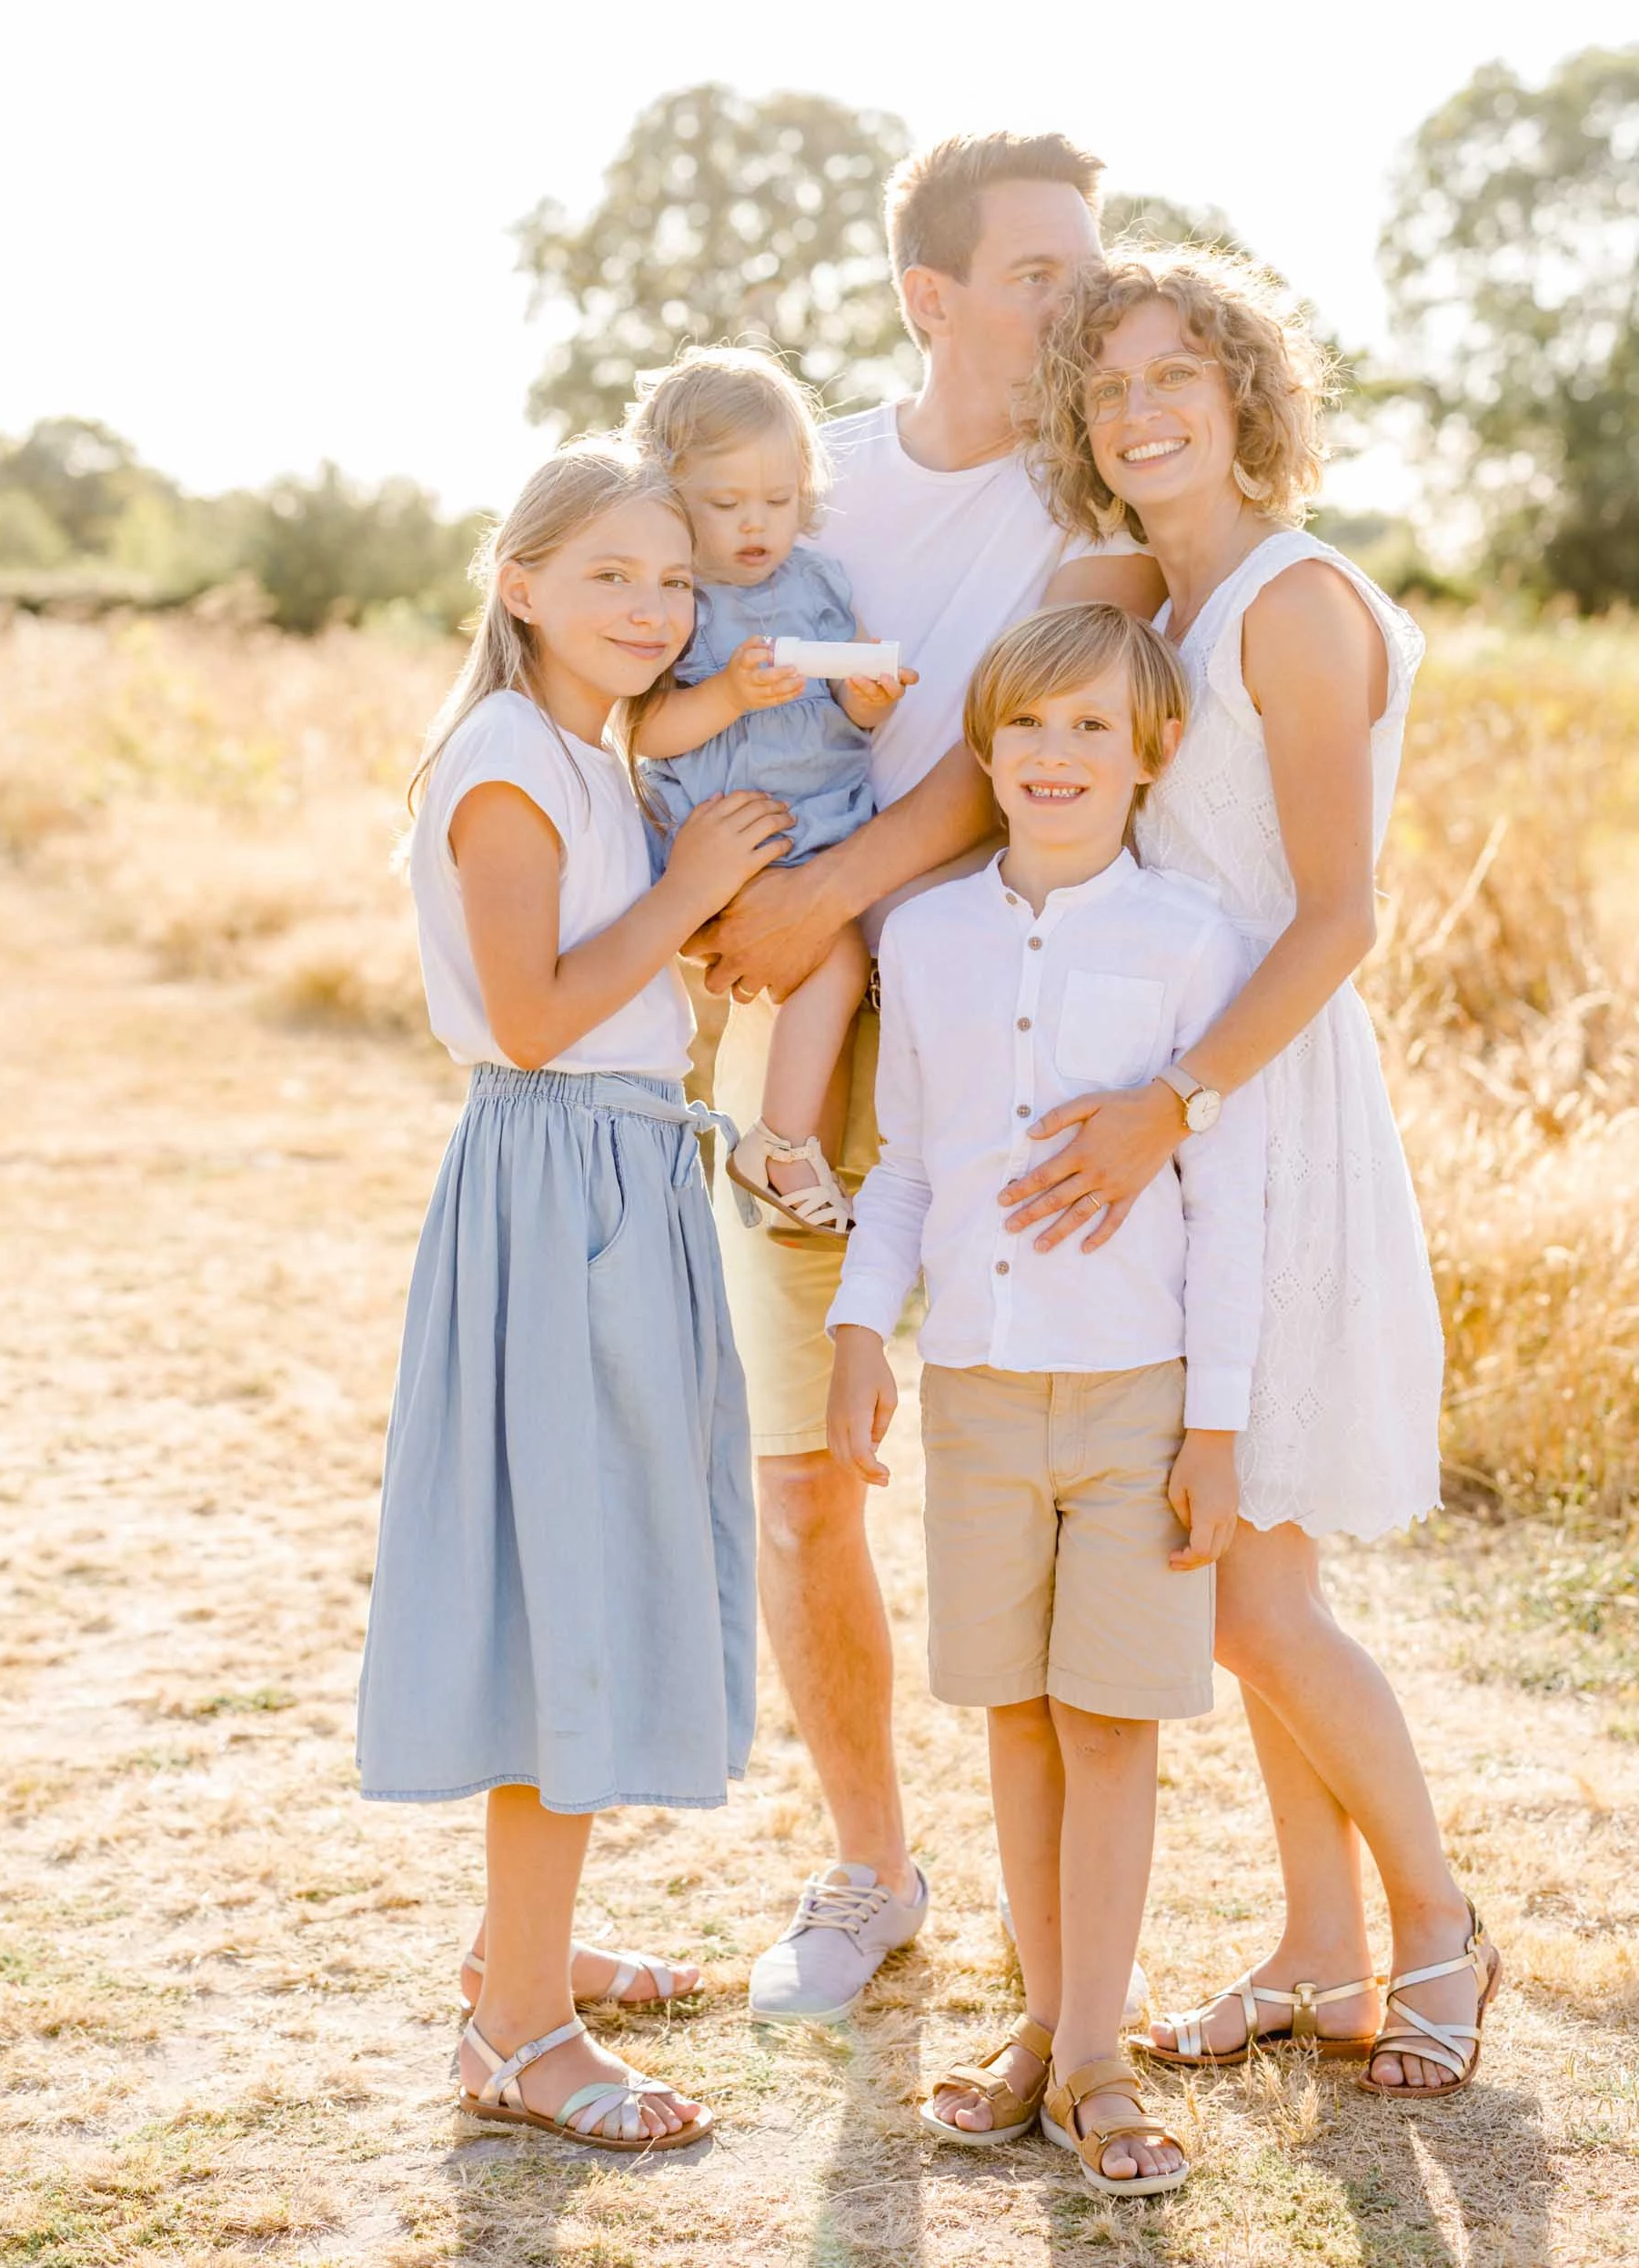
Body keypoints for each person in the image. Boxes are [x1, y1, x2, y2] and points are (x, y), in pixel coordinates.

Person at [684, 133, 1164, 2024]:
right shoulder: (825, 482)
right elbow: (670, 639)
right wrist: (722, 913)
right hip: (805, 1024)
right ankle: (874, 1871)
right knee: (807, 1483)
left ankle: (1073, 1958)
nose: (1081, 299)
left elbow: (1000, 751)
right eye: (1043, 271)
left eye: (1089, 263)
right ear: (932, 295)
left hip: (1011, 1031)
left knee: (1024, 1481)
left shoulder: (1092, 499)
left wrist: (821, 900)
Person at [1011, 250, 1501, 2099]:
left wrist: (1172, 1107)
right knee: (1235, 1547)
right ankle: (1315, 1952)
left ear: (1244, 393)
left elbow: (1340, 917)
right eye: (1107, 385)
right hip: (1188, 1104)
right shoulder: (1174, 595)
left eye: (1176, 377)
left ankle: (1439, 1922)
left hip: (1260, 1101)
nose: (1142, 411)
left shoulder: (1293, 606)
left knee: (1243, 1586)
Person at [356, 439, 790, 2148]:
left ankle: (523, 1949)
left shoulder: (591, 755)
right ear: (519, 582)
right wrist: (691, 900)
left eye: (676, 580)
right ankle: (519, 2035)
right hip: (557, 1190)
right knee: (569, 1583)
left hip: (623, 1177)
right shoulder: (506, 767)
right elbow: (533, 1019)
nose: (653, 606)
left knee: (601, 1556)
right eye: (612, 572)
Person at [827, 604, 1264, 2189]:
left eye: (1093, 729)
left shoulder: (1194, 941)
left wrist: (1216, 1425)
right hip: (980, 1397)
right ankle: (1042, 2023)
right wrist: (866, 1333)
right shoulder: (925, 939)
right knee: (1014, 1711)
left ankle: (1098, 2054)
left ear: (1151, 754)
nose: (1057, 755)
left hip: (1138, 1397)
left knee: (1109, 1721)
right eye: (1028, 727)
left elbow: (1230, 1203)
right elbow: (912, 1166)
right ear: (987, 750)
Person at [631, 348, 915, 1236]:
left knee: (849, 958)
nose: (756, 524)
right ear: (672, 500)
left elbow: (855, 703)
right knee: (830, 959)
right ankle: (780, 1147)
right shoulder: (675, 596)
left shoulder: (821, 582)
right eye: (725, 505)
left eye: (778, 501)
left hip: (823, 822)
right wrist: (725, 696)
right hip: (732, 829)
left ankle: (796, 1160)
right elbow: (642, 729)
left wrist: (867, 700)